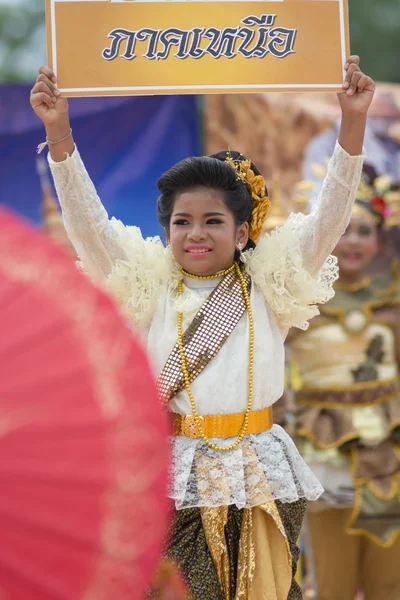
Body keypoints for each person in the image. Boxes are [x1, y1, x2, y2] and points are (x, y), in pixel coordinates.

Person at [30, 56, 374, 600]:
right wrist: (60, 133)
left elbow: (330, 216)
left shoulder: (271, 283)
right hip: (175, 473)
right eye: (182, 221)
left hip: (260, 470)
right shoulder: (148, 286)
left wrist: (352, 125)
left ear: (241, 232)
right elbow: (89, 226)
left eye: (212, 221)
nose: (196, 233)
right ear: (166, 229)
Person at [287, 172, 400, 600]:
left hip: (389, 453)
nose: (353, 241)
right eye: (344, 230)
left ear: (378, 240)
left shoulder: (391, 304)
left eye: (365, 231)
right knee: (330, 578)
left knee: (390, 579)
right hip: (324, 450)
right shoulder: (298, 309)